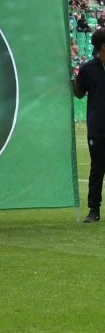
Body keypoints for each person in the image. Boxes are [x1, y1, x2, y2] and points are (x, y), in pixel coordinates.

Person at [74, 27, 105, 222]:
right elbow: (78, 93)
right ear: (102, 46)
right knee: (97, 170)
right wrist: (73, 83)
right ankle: (94, 210)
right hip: (98, 128)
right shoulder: (87, 69)